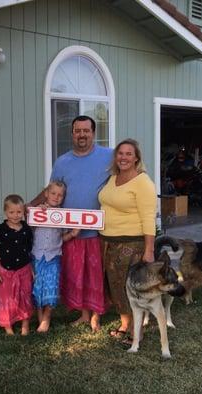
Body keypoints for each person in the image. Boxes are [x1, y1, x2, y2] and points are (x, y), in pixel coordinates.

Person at [29, 115, 112, 331]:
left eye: (86, 130)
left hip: (96, 230)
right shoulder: (62, 161)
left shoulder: (108, 156)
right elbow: (51, 189)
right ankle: (84, 314)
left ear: (93, 133)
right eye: (78, 130)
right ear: (72, 133)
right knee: (78, 274)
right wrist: (31, 206)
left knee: (95, 275)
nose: (82, 134)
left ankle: (96, 316)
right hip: (68, 230)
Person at [98, 138, 157, 344]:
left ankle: (135, 331)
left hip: (131, 244)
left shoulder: (143, 182)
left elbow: (148, 218)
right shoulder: (113, 178)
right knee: (115, 288)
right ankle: (124, 324)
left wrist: (149, 250)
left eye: (128, 154)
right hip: (107, 242)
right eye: (120, 153)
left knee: (129, 288)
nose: (123, 157)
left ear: (136, 158)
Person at [31, 181, 80, 333]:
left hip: (53, 257)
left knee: (51, 288)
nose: (56, 197)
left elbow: (62, 237)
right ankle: (40, 318)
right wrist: (38, 212)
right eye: (53, 193)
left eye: (60, 195)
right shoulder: (38, 211)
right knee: (38, 288)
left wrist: (72, 234)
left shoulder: (63, 215)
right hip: (37, 255)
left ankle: (46, 319)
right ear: (46, 194)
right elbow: (29, 230)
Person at [0, 194, 35, 336]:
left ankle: (25, 324)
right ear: (5, 212)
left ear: (23, 212)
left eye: (19, 212)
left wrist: (32, 269)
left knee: (25, 297)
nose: (15, 215)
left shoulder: (27, 229)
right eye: (11, 212)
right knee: (6, 299)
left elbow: (29, 251)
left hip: (24, 270)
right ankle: (7, 325)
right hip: (5, 271)